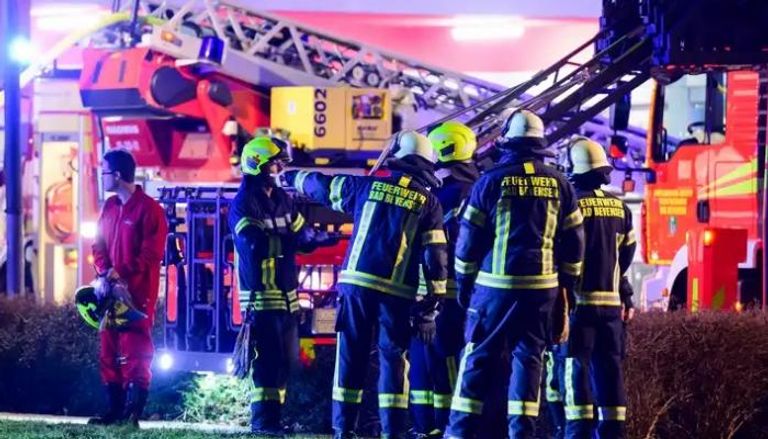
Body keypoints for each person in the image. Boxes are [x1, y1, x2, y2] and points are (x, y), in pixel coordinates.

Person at [283, 131, 449, 439]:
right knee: (394, 361)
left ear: (398, 157)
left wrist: (291, 176)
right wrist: (430, 308)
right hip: (397, 295)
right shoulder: (429, 204)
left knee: (351, 356)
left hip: (356, 288)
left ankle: (344, 429)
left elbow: (322, 185)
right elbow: (436, 258)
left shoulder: (366, 187)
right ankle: (393, 432)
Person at [445, 109, 585, 439]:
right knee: (529, 361)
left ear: (507, 141)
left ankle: (458, 433)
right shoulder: (561, 183)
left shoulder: (490, 181)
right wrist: (567, 288)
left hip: (494, 290)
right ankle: (521, 433)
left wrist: (464, 283)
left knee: (477, 358)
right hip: (542, 291)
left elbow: (468, 241)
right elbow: (575, 242)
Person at [229, 135, 336, 437]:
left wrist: (322, 238)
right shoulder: (244, 204)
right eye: (275, 163)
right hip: (261, 297)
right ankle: (263, 422)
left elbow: (302, 235)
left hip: (287, 297)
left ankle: (274, 420)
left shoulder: (282, 200)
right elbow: (253, 245)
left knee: (285, 364)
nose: (280, 169)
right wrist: (289, 243)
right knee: (267, 363)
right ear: (257, 165)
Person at [407, 121, 480, 439]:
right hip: (462, 292)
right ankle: (439, 425)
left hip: (439, 293)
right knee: (438, 360)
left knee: (436, 359)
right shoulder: (476, 189)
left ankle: (436, 425)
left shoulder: (441, 194)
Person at [561, 136, 636, 439]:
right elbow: (625, 256)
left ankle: (578, 433)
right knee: (610, 371)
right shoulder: (621, 209)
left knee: (575, 370)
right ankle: (613, 432)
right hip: (610, 308)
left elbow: (562, 255)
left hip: (578, 307)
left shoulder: (571, 206)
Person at [88, 149, 168, 427]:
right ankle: (114, 411)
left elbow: (151, 255)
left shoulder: (150, 210)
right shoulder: (109, 207)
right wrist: (105, 271)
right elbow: (98, 244)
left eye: (104, 171)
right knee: (108, 350)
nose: (102, 177)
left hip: (137, 296)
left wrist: (119, 272)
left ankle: (132, 414)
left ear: (118, 175)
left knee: (136, 352)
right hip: (110, 292)